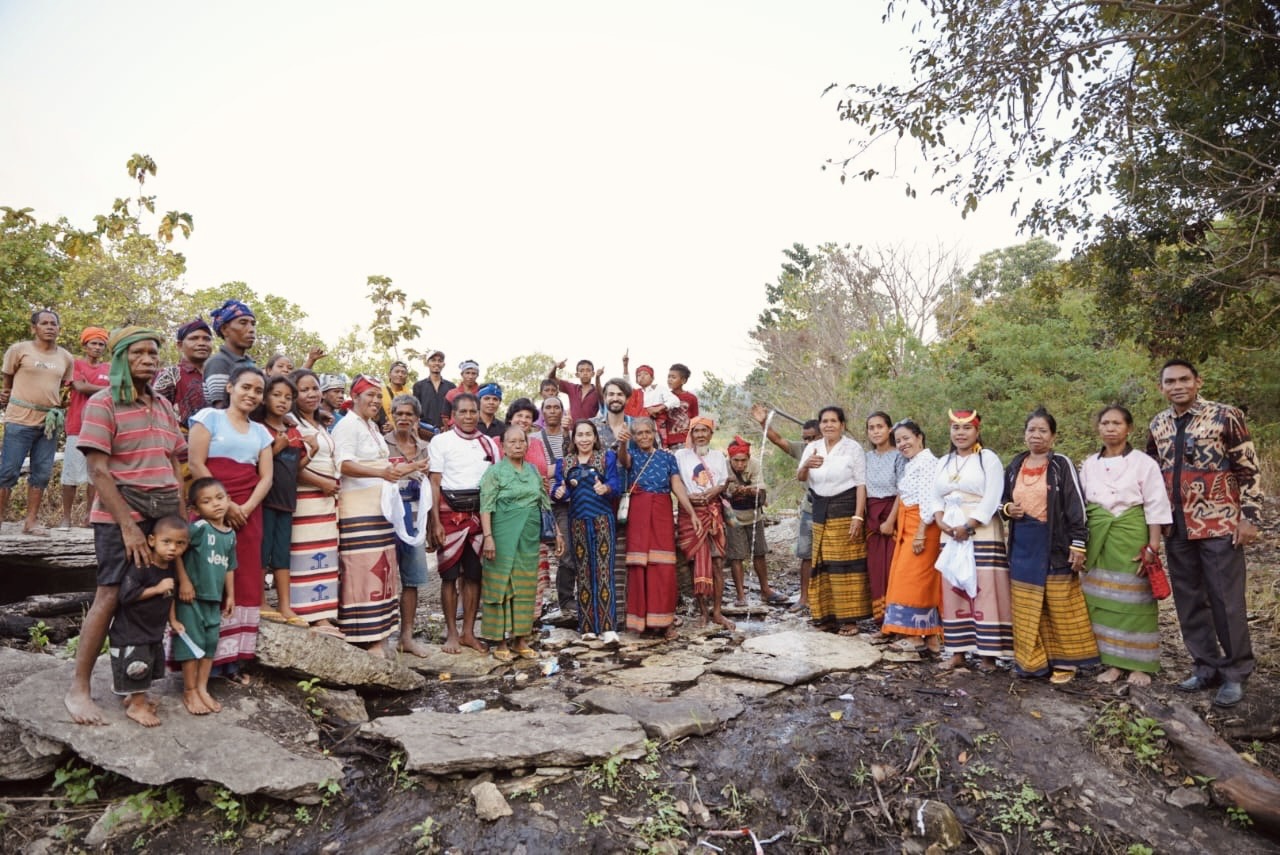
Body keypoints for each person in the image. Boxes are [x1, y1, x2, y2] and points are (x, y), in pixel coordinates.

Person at [64, 326, 186, 725]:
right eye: (139, 353)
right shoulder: (103, 403)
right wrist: (129, 528)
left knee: (151, 599)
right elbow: (98, 471)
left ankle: (136, 690)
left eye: (153, 353)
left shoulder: (164, 405)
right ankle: (79, 689)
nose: (149, 359)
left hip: (162, 516)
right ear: (120, 358)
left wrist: (180, 516)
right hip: (121, 517)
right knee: (111, 594)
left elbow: (174, 461)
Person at [1147, 359, 1263, 707]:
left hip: (1219, 523)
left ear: (1198, 382)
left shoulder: (1225, 416)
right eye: (1170, 381)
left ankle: (1236, 672)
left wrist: (1250, 517)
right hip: (1176, 525)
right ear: (1161, 388)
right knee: (1189, 600)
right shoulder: (1158, 424)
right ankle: (1205, 666)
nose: (1178, 386)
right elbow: (1152, 475)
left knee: (1226, 600)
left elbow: (1248, 468)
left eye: (1184, 379)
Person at [1002, 407, 1099, 683]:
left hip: (1054, 543)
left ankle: (1066, 663)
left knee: (1059, 603)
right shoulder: (1015, 464)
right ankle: (1033, 661)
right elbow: (1002, 500)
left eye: (1042, 430)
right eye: (1031, 430)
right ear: (1024, 435)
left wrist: (1078, 543)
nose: (1036, 435)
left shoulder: (1060, 465)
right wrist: (1008, 509)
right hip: (1023, 543)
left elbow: (1076, 505)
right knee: (1027, 603)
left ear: (1053, 436)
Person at [189, 365, 274, 680]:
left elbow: (266, 477)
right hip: (210, 508)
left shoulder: (261, 432)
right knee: (208, 576)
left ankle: (233, 658)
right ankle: (200, 660)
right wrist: (226, 504)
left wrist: (246, 507)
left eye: (258, 391)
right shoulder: (209, 418)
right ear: (230, 387)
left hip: (248, 514)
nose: (252, 394)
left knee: (244, 576)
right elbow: (196, 463)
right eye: (246, 387)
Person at [1080, 405, 1172, 686]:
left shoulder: (1144, 463)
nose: (1110, 428)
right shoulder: (1089, 464)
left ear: (1129, 428)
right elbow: (1082, 505)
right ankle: (1113, 663)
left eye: (1117, 423)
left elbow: (1155, 504)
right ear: (1098, 428)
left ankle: (1139, 665)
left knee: (1136, 600)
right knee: (1104, 601)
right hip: (1099, 538)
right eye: (1105, 423)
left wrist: (1153, 545)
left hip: (1131, 534)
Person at [933, 409, 1013, 672]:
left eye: (967, 428)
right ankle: (958, 651)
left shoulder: (987, 458)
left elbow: (993, 495)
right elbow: (935, 496)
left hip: (980, 528)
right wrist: (941, 522)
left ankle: (989, 654)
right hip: (950, 529)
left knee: (984, 586)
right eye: (955, 428)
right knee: (953, 585)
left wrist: (969, 525)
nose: (960, 433)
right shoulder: (944, 461)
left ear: (977, 431)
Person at [332, 375, 406, 657]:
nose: (375, 401)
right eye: (369, 396)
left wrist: (410, 468)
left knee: (382, 570)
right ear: (355, 397)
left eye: (378, 396)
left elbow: (381, 464)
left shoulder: (372, 426)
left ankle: (381, 633)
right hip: (357, 510)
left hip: (379, 510)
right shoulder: (347, 425)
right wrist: (381, 472)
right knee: (363, 571)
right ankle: (364, 637)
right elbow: (344, 464)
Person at [480, 425, 564, 660]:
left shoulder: (533, 471)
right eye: (512, 442)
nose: (518, 445)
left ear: (527, 445)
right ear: (503, 446)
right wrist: (488, 537)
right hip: (502, 535)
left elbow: (544, 503)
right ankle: (499, 642)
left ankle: (520, 639)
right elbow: (486, 506)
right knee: (502, 585)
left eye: (522, 441)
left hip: (529, 535)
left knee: (526, 585)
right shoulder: (494, 472)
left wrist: (557, 532)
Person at [429, 393, 497, 654]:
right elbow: (435, 483)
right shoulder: (440, 441)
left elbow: (494, 483)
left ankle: (469, 632)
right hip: (448, 513)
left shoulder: (488, 443)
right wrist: (435, 522)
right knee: (449, 576)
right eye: (463, 412)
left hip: (480, 515)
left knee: (473, 575)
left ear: (478, 413)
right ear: (453, 416)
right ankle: (451, 634)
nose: (469, 416)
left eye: (473, 411)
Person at [109, 514, 188, 727]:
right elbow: (126, 596)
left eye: (180, 544)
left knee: (150, 664)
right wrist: (156, 588)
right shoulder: (141, 566)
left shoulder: (169, 567)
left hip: (152, 629)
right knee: (138, 665)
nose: (173, 548)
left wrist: (173, 620)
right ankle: (136, 706)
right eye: (167, 542)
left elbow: (170, 595)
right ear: (152, 540)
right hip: (131, 631)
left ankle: (135, 697)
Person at [0, 309, 74, 536]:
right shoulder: (19, 350)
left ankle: (31, 522)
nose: (50, 327)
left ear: (59, 329)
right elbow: (7, 379)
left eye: (54, 324)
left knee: (41, 473)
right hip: (19, 420)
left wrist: (61, 404)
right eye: (44, 323)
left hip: (48, 424)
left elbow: (64, 387)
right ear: (34, 328)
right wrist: (5, 393)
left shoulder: (66, 357)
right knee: (8, 471)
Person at [624, 417, 698, 638]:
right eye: (639, 433)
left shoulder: (667, 457)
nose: (644, 436)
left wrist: (692, 513)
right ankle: (640, 623)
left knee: (664, 566)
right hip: (638, 512)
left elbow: (676, 485)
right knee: (639, 566)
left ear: (654, 433)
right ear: (634, 437)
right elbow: (622, 460)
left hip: (662, 512)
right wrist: (621, 443)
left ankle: (665, 622)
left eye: (647, 432)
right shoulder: (631, 456)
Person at [798, 406, 868, 636]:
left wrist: (858, 516)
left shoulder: (852, 448)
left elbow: (861, 484)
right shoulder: (813, 447)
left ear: (842, 425)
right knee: (822, 562)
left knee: (845, 564)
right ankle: (826, 617)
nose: (829, 425)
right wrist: (807, 464)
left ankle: (849, 620)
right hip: (820, 509)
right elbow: (800, 476)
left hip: (845, 509)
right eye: (825, 421)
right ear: (820, 425)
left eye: (833, 421)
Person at [552, 419, 623, 641]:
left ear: (595, 437)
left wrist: (606, 488)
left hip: (602, 520)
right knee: (583, 572)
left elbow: (616, 485)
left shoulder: (606, 457)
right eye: (580, 435)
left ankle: (608, 626)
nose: (584, 439)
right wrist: (558, 492)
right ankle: (588, 627)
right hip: (577, 522)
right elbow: (560, 489)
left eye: (588, 434)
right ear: (573, 439)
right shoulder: (564, 463)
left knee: (603, 570)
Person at [287, 370, 343, 635]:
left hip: (326, 499)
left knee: (326, 556)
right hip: (305, 497)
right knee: (307, 556)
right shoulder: (291, 423)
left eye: (315, 388)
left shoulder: (320, 422)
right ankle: (311, 615)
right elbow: (290, 465)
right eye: (304, 390)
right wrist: (321, 483)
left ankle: (324, 613)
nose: (311, 394)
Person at [173, 478, 236, 715]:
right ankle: (189, 690)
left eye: (220, 498)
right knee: (192, 642)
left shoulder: (230, 534)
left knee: (210, 644)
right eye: (207, 501)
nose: (216, 504)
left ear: (229, 499)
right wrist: (184, 581)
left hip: (214, 598)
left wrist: (230, 595)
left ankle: (202, 688)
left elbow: (230, 566)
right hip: (191, 598)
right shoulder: (198, 528)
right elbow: (177, 551)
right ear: (196, 509)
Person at [881, 419, 943, 652]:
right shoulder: (913, 463)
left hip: (922, 526)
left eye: (906, 438)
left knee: (913, 579)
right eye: (898, 441)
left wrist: (920, 533)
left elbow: (929, 499)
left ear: (919, 437)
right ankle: (930, 637)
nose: (902, 444)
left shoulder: (928, 463)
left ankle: (915, 635)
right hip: (910, 524)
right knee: (916, 578)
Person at [752, 403, 820, 613]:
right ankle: (804, 598)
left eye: (812, 437)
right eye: (805, 438)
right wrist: (764, 423)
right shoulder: (803, 449)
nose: (808, 442)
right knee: (806, 555)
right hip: (810, 507)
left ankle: (826, 600)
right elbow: (779, 440)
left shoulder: (837, 450)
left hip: (833, 508)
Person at [252, 375, 308, 625]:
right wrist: (276, 447)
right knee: (263, 551)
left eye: (288, 397)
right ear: (265, 398)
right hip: (265, 501)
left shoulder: (294, 431)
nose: (282, 401)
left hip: (287, 501)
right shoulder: (258, 429)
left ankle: (285, 604)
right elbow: (254, 465)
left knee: (282, 553)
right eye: (276, 395)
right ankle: (260, 600)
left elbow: (294, 469)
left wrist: (311, 454)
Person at [384, 394, 435, 656]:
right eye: (399, 413)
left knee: (412, 580)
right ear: (392, 416)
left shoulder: (425, 448)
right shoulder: (381, 444)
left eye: (408, 414)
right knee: (384, 577)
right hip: (387, 518)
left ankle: (406, 637)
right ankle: (381, 638)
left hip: (416, 518)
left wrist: (433, 524)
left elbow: (432, 486)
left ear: (417, 418)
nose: (403, 418)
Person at [674, 416, 735, 630]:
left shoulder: (718, 456)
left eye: (704, 431)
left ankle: (717, 612)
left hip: (713, 513)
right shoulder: (681, 456)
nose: (700, 435)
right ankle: (703, 613)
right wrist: (689, 497)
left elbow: (722, 483)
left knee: (717, 563)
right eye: (696, 431)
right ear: (691, 434)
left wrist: (714, 491)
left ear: (711, 434)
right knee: (695, 563)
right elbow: (675, 481)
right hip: (690, 513)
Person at [724, 435, 786, 606]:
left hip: (754, 514)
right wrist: (732, 492)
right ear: (730, 458)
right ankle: (741, 596)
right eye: (736, 461)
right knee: (736, 556)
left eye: (743, 460)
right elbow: (722, 492)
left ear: (748, 458)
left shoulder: (755, 465)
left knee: (759, 552)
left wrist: (751, 491)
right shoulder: (723, 467)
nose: (740, 465)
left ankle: (765, 590)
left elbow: (761, 489)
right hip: (732, 516)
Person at [59, 326, 111, 529]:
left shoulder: (108, 368)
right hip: (77, 425)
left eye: (101, 344)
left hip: (101, 426)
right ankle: (66, 517)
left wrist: (96, 388)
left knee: (96, 474)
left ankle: (90, 517)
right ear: (85, 345)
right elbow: (80, 386)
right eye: (93, 343)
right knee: (71, 472)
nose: (97, 347)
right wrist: (108, 389)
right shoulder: (75, 364)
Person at [507, 398, 553, 621]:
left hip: (537, 512)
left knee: (536, 567)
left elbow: (544, 474)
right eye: (520, 415)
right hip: (509, 516)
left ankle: (532, 619)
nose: (524, 420)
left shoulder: (536, 444)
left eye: (528, 417)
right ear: (510, 418)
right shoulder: (499, 442)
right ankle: (513, 620)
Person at [533, 395, 578, 621]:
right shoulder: (533, 439)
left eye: (556, 407)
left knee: (567, 550)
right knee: (536, 556)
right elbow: (531, 468)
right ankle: (535, 604)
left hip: (566, 502)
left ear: (562, 411)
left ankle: (566, 599)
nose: (552, 411)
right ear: (543, 412)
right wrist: (554, 471)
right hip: (540, 501)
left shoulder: (571, 436)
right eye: (548, 407)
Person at [153, 317, 213, 468]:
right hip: (183, 457)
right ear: (180, 345)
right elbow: (155, 414)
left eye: (206, 339)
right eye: (194, 338)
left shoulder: (218, 374)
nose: (201, 343)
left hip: (218, 453)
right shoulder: (171, 374)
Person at [864, 412, 903, 624]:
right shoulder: (865, 458)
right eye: (871, 428)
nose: (876, 431)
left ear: (890, 429)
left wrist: (890, 521)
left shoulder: (899, 456)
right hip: (872, 517)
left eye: (880, 426)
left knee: (893, 568)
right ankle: (882, 620)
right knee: (876, 568)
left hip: (893, 516)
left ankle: (897, 621)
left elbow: (903, 490)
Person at [202, 299, 256, 408]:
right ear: (224, 329)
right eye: (243, 323)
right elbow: (222, 409)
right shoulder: (218, 362)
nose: (251, 329)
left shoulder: (250, 363)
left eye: (253, 324)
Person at [622, 357, 681, 447]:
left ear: (652, 378)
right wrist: (625, 366)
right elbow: (626, 382)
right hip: (638, 428)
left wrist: (659, 408)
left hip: (655, 428)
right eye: (639, 375)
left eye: (645, 374)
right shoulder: (636, 393)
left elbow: (675, 401)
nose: (642, 376)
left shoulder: (659, 389)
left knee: (657, 449)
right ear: (636, 380)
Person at [412, 349, 454, 431]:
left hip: (446, 431)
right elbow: (415, 411)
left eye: (440, 361)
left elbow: (454, 411)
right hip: (425, 431)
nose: (437, 363)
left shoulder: (451, 386)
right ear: (427, 363)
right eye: (433, 360)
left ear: (443, 364)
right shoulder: (418, 386)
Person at [591, 378, 633, 453]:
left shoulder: (636, 425)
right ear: (605, 398)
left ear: (627, 399)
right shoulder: (591, 425)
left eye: (620, 394)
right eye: (611, 394)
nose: (615, 399)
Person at [663, 363, 699, 449]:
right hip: (668, 443)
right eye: (668, 377)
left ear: (683, 381)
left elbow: (695, 421)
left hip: (686, 442)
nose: (670, 380)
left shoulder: (691, 398)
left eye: (673, 377)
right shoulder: (664, 397)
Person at [378, 360, 412, 430]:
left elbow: (412, 416)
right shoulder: (380, 392)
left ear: (406, 376)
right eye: (397, 371)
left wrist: (394, 426)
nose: (400, 375)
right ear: (389, 375)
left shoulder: (410, 395)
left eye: (403, 372)